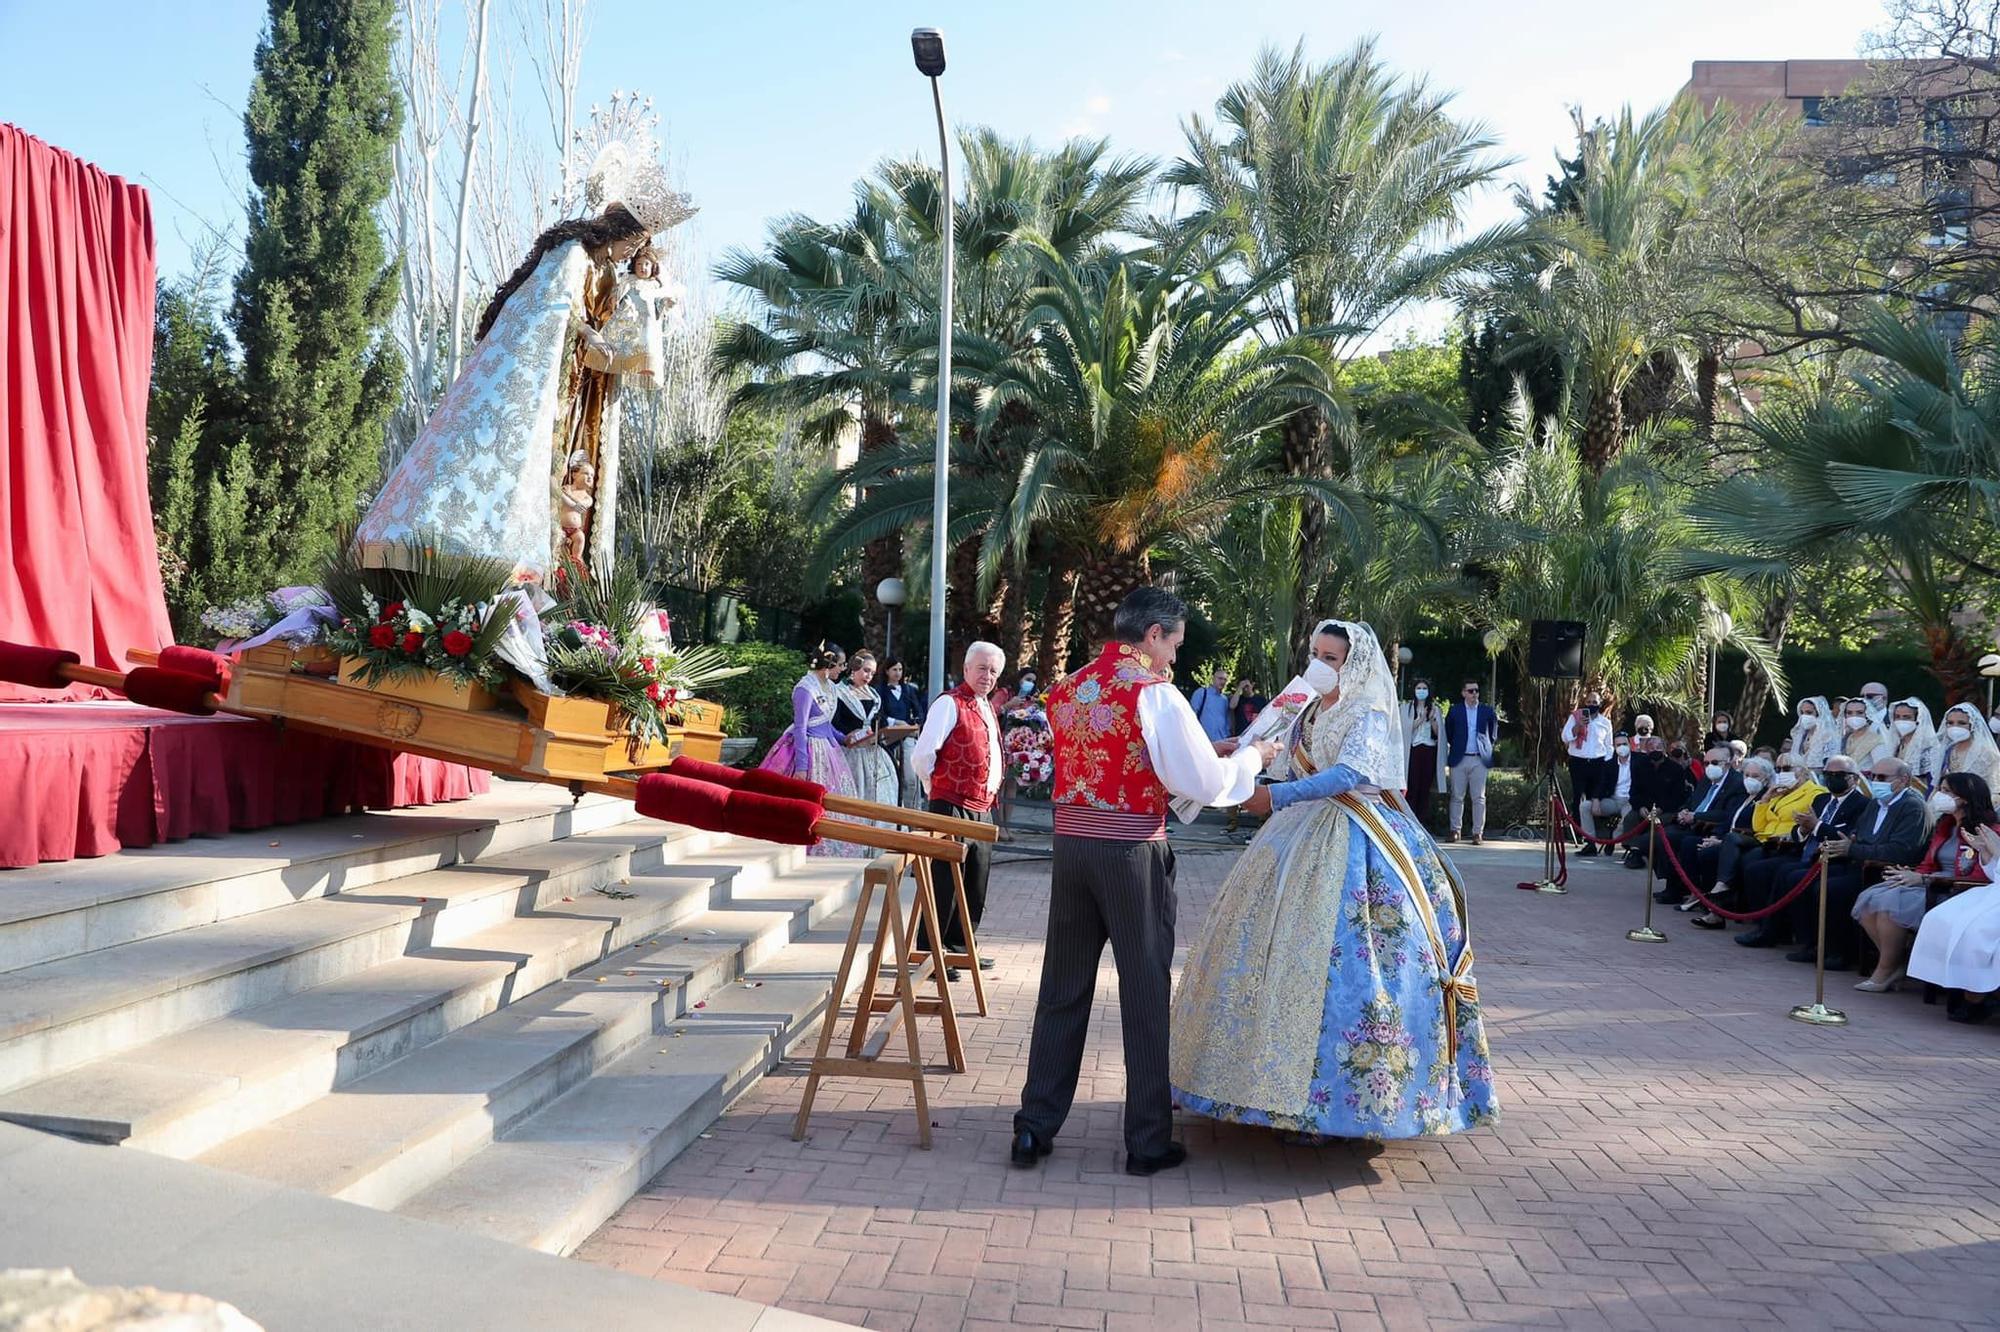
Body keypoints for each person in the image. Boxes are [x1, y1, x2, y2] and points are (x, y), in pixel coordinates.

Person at [1168, 618, 1499, 1143]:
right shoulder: (1304, 705)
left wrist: (1273, 798)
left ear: (1356, 663)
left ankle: (1333, 1110)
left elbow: (1348, 775)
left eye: (1333, 657)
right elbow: (1282, 757)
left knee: (1350, 965)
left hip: (1356, 835)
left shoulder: (1366, 710)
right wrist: (1237, 757)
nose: (1322, 664)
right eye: (1317, 653)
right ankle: (1258, 1087)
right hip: (1296, 834)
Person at [1014, 589, 1277, 1175]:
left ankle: (1034, 1126)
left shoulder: (1070, 685)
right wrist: (1252, 755)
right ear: (1153, 634)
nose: (1174, 659)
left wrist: (1211, 751)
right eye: (1174, 645)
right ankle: (1148, 1140)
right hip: (1132, 851)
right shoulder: (1153, 692)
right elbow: (1206, 785)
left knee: (1063, 986)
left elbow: (1122, 756)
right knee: (1144, 989)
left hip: (1072, 845)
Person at [357, 153, 694, 581]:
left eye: (640, 245)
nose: (634, 251)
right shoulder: (571, 254)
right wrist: (586, 333)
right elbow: (548, 308)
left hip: (575, 390)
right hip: (545, 384)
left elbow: (618, 320)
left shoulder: (608, 272)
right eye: (633, 240)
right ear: (618, 230)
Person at [911, 643, 1008, 975]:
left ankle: (960, 946)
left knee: (974, 884)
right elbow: (923, 755)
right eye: (982, 668)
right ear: (966, 669)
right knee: (943, 884)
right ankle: (931, 955)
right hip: (951, 805)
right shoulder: (948, 704)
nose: (987, 676)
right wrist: (936, 791)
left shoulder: (986, 706)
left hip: (982, 807)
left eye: (993, 671)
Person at [1856, 773, 1998, 993]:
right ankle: (1896, 962)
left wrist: (1924, 879)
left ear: (1965, 797)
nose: (1940, 795)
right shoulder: (1946, 825)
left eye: (1946, 791)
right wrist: (1911, 874)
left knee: (1889, 907)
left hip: (1956, 889)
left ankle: (1885, 970)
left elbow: (1982, 876)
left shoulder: (1988, 830)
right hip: (1931, 881)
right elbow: (1930, 862)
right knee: (1872, 898)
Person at [1785, 756, 1926, 971]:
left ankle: (1839, 952)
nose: (1876, 781)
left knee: (1834, 890)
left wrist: (1851, 848)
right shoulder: (1876, 804)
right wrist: (1848, 843)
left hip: (1886, 873)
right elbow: (1858, 835)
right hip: (1859, 864)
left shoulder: (1913, 808)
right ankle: (1813, 944)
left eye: (1882, 777)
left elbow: (1901, 851)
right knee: (1803, 879)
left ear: (1904, 780)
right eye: (1872, 776)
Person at [1735, 755, 1871, 948]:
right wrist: (1803, 829)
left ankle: (1804, 942)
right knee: (1758, 869)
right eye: (1827, 774)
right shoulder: (1822, 799)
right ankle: (1769, 929)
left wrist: (1816, 826)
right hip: (1803, 852)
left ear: (1854, 779)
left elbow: (1846, 836)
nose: (1832, 778)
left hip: (1834, 860)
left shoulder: (1862, 804)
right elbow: (1799, 830)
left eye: (1839, 774)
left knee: (1791, 875)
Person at [1689, 755, 1825, 929]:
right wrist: (1766, 798)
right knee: (1717, 851)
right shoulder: (1779, 792)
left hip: (1788, 843)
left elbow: (1806, 824)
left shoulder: (1815, 793)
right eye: (1779, 769)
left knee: (1750, 863)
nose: (1782, 773)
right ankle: (1721, 902)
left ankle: (1724, 901)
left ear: (1802, 771)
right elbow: (1759, 825)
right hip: (1764, 839)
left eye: (1786, 769)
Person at [758, 643, 863, 857]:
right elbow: (801, 727)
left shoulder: (830, 687)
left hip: (828, 749)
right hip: (807, 750)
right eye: (841, 665)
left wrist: (844, 738)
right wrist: (802, 765)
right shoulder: (806, 688)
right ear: (829, 664)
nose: (842, 670)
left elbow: (825, 724)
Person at [1909, 809, 2000, 1022]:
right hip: (1992, 895)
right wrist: (1987, 853)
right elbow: (1994, 874)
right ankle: (1961, 992)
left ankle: (1976, 998)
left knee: (1977, 933)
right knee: (1940, 919)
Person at [1654, 746, 1746, 905]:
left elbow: (1726, 814)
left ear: (1728, 763)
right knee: (1657, 837)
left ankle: (1690, 889)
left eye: (1715, 762)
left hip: (1708, 827)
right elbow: (1691, 802)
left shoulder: (1736, 783)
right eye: (1706, 763)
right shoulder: (1705, 780)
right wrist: (1684, 812)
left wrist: (1696, 816)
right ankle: (1673, 885)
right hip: (1690, 823)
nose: (1710, 766)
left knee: (1678, 840)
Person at [830, 650, 900, 810]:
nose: (869, 676)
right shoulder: (839, 692)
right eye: (866, 670)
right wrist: (848, 736)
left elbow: (879, 721)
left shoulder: (874, 695)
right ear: (854, 668)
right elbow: (834, 722)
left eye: (872, 673)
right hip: (848, 752)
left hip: (873, 752)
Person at [1621, 735, 1693, 867]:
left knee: (1659, 823)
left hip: (1666, 810)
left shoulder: (1675, 769)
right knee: (1630, 818)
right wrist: (1641, 806)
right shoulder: (1639, 766)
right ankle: (1635, 852)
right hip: (1644, 809)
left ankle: (1646, 849)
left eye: (1658, 747)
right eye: (1651, 747)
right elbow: (1634, 792)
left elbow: (1678, 796)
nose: (1655, 750)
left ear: (1664, 749)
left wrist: (1661, 809)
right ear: (1646, 750)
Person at [1561, 688, 1616, 855]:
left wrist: (1606, 763)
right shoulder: (1575, 717)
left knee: (1595, 799)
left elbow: (1609, 746)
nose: (1592, 705)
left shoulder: (1605, 722)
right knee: (1578, 797)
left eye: (1595, 702)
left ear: (1600, 705)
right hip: (1578, 762)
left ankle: (1596, 837)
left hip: (1598, 764)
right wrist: (1578, 726)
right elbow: (1565, 737)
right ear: (1585, 703)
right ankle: (1582, 834)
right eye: (1589, 702)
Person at [1444, 680, 1498, 845]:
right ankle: (1455, 830)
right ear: (1463, 693)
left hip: (1479, 759)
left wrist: (1486, 748)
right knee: (1456, 796)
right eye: (1471, 691)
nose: (1474, 694)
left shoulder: (1487, 711)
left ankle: (1477, 833)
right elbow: (1449, 732)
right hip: (1460, 758)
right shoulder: (1455, 711)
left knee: (1479, 798)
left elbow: (1494, 733)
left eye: (1476, 691)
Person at [1399, 678, 1448, 827]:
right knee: (1412, 786)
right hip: (1413, 750)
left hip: (1429, 750)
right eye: (1418, 688)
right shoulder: (1407, 708)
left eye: (1424, 688)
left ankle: (1421, 822)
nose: (1421, 691)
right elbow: (1404, 730)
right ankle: (1409, 821)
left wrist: (1432, 720)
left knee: (1425, 788)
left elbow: (1439, 734)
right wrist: (1420, 719)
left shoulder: (1435, 709)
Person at [877, 658, 923, 806]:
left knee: (910, 779)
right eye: (894, 670)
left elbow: (919, 712)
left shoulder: (908, 690)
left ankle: (913, 814)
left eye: (900, 670)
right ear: (887, 671)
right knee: (891, 778)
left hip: (907, 737)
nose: (898, 673)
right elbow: (878, 714)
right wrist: (895, 722)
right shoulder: (880, 691)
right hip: (888, 740)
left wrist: (916, 723)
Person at [1580, 731, 1634, 854]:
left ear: (1630, 745)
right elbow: (1601, 784)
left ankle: (1614, 839)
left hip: (1631, 801)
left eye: (1624, 744)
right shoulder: (1609, 764)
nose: (1622, 747)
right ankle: (1590, 843)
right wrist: (1595, 800)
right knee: (1585, 806)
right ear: (1614, 747)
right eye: (1618, 745)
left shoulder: (1639, 761)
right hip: (1613, 800)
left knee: (1628, 816)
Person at [1930, 701, 2000, 789]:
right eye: (1950, 723)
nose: (1955, 727)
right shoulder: (1945, 752)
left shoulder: (1988, 754)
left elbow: (1994, 790)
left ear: (1973, 725)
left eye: (1962, 723)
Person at [1886, 697, 1938, 782]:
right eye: (1897, 717)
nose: (1901, 720)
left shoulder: (1928, 746)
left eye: (1906, 717)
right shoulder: (1896, 744)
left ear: (1918, 719)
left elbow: (1932, 778)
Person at [1836, 696, 1892, 767]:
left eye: (1859, 712)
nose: (1854, 716)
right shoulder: (1849, 737)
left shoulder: (1876, 740)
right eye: (1849, 713)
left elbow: (1882, 767)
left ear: (1868, 714)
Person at [1787, 696, 1834, 772]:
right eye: (1802, 713)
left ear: (1819, 713)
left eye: (1809, 712)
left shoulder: (1827, 736)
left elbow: (1829, 762)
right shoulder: (1801, 736)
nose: (1804, 716)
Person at [1188, 667, 1233, 743]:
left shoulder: (1224, 699)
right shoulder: (1201, 693)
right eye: (1220, 678)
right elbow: (1191, 715)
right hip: (1203, 740)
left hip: (1221, 740)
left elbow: (1227, 720)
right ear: (1213, 679)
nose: (1222, 681)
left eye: (1225, 679)